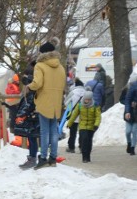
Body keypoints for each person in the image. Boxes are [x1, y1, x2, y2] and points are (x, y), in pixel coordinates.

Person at [27, 38, 67, 169]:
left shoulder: (40, 65)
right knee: (54, 131)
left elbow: (37, 83)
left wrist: (29, 86)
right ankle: (53, 158)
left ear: (42, 54)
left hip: (44, 101)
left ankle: (43, 157)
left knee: (44, 131)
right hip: (56, 102)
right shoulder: (60, 67)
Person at [67, 91, 101, 163]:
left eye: (89, 100)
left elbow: (98, 116)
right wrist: (69, 123)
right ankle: (84, 157)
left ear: (91, 99)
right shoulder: (79, 105)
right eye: (86, 99)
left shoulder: (95, 105)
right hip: (82, 126)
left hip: (91, 126)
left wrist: (96, 124)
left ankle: (88, 156)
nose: (87, 101)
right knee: (84, 140)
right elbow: (74, 115)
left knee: (89, 141)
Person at [64, 79, 85, 153]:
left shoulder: (73, 92)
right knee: (82, 132)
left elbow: (66, 103)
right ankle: (82, 147)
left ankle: (71, 147)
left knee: (73, 132)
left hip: (74, 116)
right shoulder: (86, 93)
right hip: (84, 116)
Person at [124, 75, 137, 156]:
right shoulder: (130, 88)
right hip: (130, 113)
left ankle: (132, 148)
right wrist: (127, 111)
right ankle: (129, 143)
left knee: (134, 131)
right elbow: (126, 100)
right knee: (128, 131)